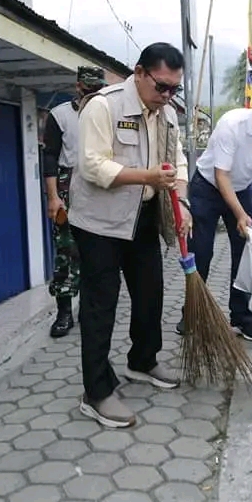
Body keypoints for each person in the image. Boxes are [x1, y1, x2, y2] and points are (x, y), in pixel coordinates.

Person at [69, 42, 193, 428]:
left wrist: (183, 202)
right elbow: (92, 166)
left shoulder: (166, 114)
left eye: (174, 88)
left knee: (150, 292)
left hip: (142, 217)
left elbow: (179, 161)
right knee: (100, 304)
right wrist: (148, 177)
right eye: (162, 86)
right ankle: (97, 392)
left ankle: (143, 360)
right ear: (139, 73)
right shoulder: (102, 107)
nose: (167, 95)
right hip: (99, 224)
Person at [177, 92, 252, 340]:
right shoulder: (232, 124)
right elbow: (222, 175)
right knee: (202, 252)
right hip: (207, 188)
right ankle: (191, 314)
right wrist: (240, 215)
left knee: (246, 254)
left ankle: (241, 317)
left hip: (242, 189)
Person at [41, 66, 107, 338]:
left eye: (97, 90)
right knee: (66, 252)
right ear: (78, 87)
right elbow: (50, 158)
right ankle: (64, 312)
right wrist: (53, 196)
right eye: (88, 89)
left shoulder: (109, 113)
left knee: (98, 251)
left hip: (101, 185)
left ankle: (90, 309)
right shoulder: (60, 115)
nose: (92, 94)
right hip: (69, 185)